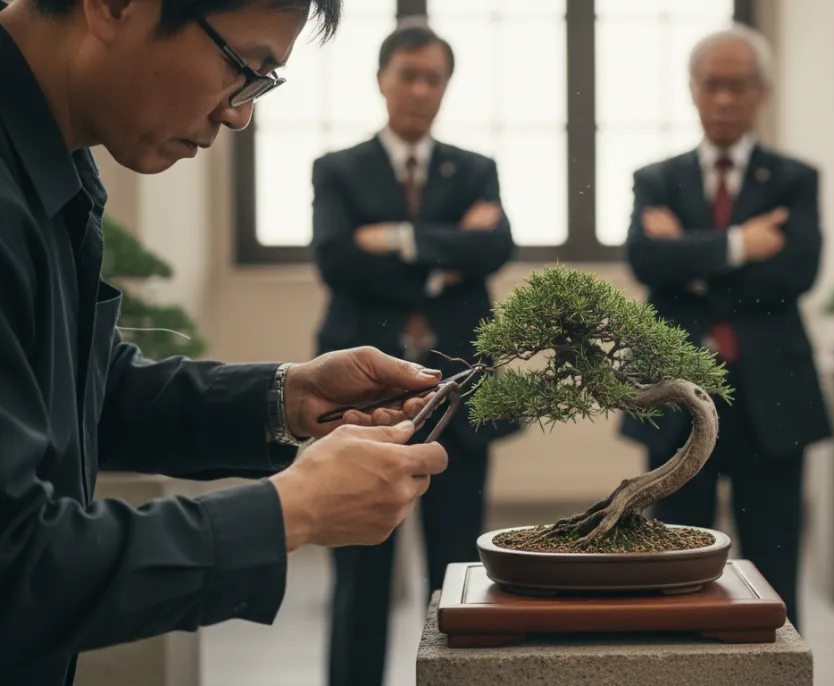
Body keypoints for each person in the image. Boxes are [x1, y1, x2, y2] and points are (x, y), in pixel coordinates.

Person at [0, 2, 453, 685]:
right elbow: (16, 566)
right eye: (245, 68)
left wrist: (288, 396)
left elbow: (88, 391)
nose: (240, 113)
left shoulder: (56, 162)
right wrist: (289, 511)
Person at [309, 19, 518, 686]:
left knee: (459, 570)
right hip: (361, 396)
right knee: (360, 573)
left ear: (446, 86)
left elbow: (494, 250)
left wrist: (394, 240)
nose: (421, 89)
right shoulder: (338, 169)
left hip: (457, 386)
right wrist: (442, 250)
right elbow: (339, 260)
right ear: (381, 80)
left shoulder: (476, 168)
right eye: (409, 75)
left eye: (434, 77)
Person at [620, 23, 833, 632]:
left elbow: (797, 271)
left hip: (772, 394)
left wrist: (690, 256)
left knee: (775, 569)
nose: (723, 100)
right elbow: (645, 262)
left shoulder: (795, 179)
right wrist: (743, 244)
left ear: (762, 92)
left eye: (737, 87)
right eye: (711, 85)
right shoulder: (657, 179)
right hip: (674, 396)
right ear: (692, 89)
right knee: (669, 569)